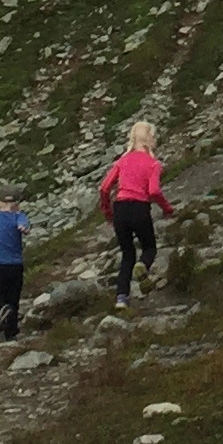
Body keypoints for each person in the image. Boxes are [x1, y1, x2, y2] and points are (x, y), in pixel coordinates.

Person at [98, 121, 171, 309]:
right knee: (149, 248)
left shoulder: (122, 161)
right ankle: (143, 266)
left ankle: (121, 298)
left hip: (120, 208)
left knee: (127, 253)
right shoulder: (154, 163)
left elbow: (105, 187)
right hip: (140, 208)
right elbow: (154, 191)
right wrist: (167, 209)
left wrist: (107, 211)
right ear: (151, 140)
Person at [0, 192, 26, 339]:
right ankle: (11, 333)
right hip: (16, 266)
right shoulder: (19, 216)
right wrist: (21, 228)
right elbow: (24, 226)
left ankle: (1, 309)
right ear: (16, 204)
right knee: (13, 300)